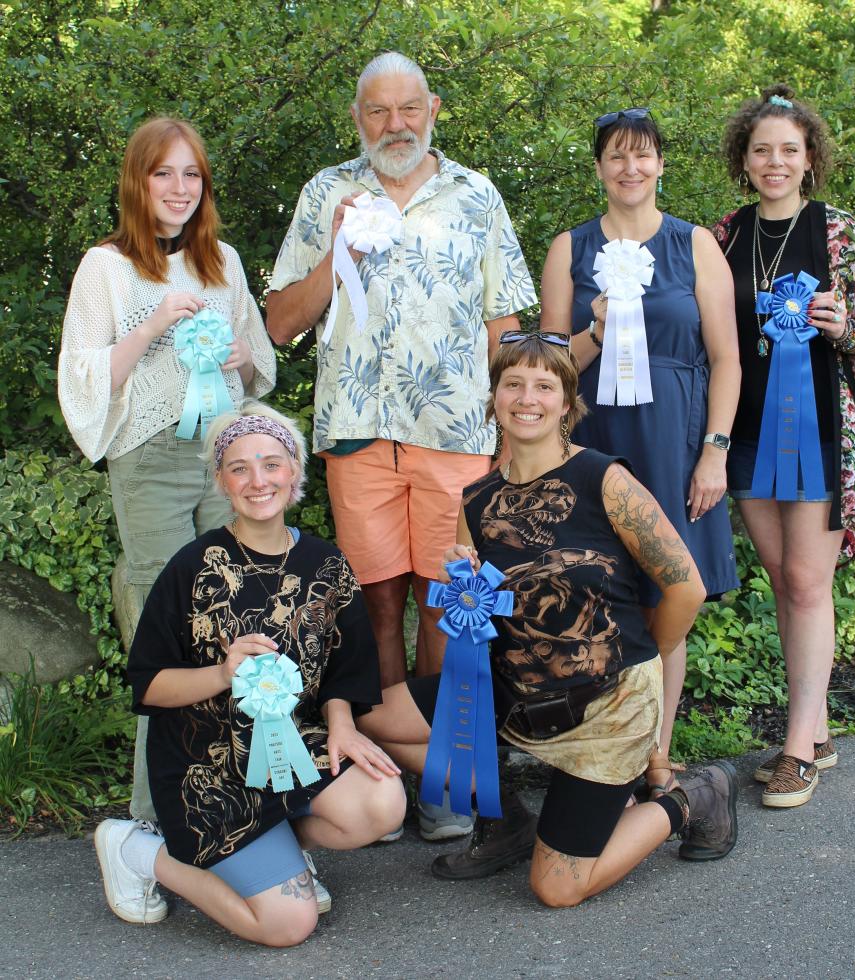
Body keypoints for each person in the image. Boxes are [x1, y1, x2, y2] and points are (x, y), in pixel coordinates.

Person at [358, 333, 739, 908]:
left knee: (557, 889)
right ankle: (505, 818)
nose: (526, 397)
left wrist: (645, 660)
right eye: (513, 383)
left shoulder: (603, 478)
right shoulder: (476, 500)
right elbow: (471, 619)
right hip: (515, 695)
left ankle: (691, 800)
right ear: (494, 398)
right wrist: (460, 584)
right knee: (374, 716)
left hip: (606, 707)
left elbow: (686, 586)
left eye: (544, 385)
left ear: (567, 401)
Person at [266, 51, 537, 839]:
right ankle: (385, 769)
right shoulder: (327, 192)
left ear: (434, 108)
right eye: (378, 112)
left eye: (408, 108)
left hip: (455, 436)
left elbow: (504, 326)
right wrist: (336, 247)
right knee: (374, 604)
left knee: (447, 608)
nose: (395, 125)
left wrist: (515, 430)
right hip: (356, 430)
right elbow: (283, 321)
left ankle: (444, 781)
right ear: (358, 119)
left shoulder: (476, 195)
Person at [57, 117, 276, 909]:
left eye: (192, 175)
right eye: (164, 175)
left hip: (224, 459)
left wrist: (238, 356)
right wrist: (153, 326)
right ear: (137, 182)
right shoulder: (106, 268)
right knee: (165, 633)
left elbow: (259, 370)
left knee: (235, 624)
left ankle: (233, 819)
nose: (180, 189)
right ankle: (146, 836)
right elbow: (85, 378)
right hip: (148, 461)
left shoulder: (225, 264)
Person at [94, 403, 406, 944]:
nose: (257, 480)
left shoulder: (326, 564)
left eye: (271, 463)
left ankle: (283, 852)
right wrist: (222, 673)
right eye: (239, 467)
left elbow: (346, 669)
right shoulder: (191, 567)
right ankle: (140, 854)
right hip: (208, 764)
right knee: (289, 926)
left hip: (292, 750)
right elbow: (147, 684)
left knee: (383, 800)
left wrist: (342, 724)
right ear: (220, 480)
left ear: (295, 473)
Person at [539, 108, 741, 797]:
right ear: (598, 167)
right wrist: (593, 330)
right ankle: (600, 751)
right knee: (593, 596)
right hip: (594, 446)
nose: (631, 168)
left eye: (644, 156)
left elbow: (728, 359)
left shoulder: (696, 246)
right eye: (617, 157)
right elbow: (548, 372)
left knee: (669, 596)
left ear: (661, 165)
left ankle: (656, 754)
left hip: (675, 442)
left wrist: (714, 452)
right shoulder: (570, 248)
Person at [713, 84, 855, 807]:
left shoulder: (844, 236)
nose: (775, 161)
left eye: (789, 149)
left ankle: (797, 751)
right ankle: (816, 730)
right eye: (761, 149)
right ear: (744, 158)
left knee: (806, 583)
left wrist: (846, 329)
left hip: (823, 428)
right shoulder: (723, 236)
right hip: (750, 430)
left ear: (810, 158)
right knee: (780, 577)